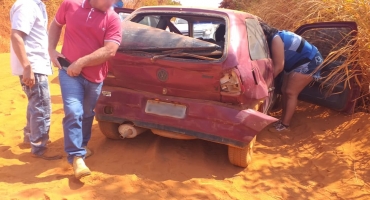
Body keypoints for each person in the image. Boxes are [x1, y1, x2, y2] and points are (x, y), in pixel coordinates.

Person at [48, 0, 122, 179]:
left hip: (95, 77)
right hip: (69, 72)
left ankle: (82, 145)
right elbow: (56, 25)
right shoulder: (70, 5)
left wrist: (81, 62)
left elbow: (110, 50)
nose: (113, 3)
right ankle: (76, 157)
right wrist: (51, 50)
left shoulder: (113, 18)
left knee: (88, 113)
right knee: (74, 111)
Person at [10, 0, 62, 160]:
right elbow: (16, 35)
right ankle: (39, 148)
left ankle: (29, 137)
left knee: (36, 103)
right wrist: (27, 67)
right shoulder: (27, 5)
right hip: (33, 66)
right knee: (41, 106)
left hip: (35, 65)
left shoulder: (34, 5)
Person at [259, 20, 323, 132]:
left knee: (290, 92)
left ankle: (285, 125)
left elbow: (279, 67)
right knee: (284, 90)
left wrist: (265, 85)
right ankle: (283, 119)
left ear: (263, 33)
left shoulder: (275, 39)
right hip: (297, 62)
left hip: (310, 61)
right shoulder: (275, 37)